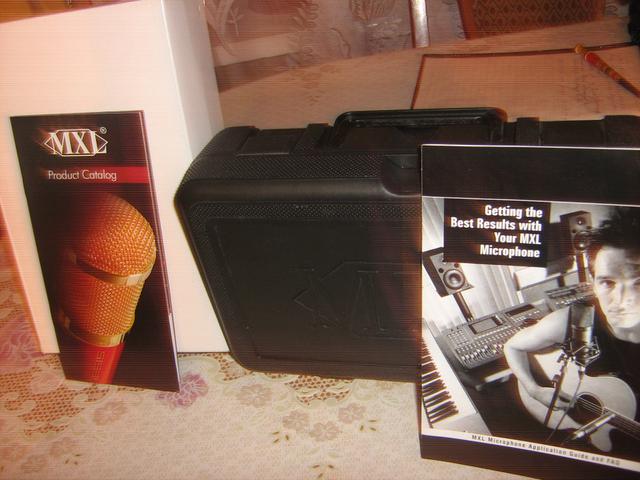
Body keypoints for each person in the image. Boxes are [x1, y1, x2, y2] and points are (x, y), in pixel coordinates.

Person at [504, 207, 640, 446]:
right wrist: (535, 390)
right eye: (608, 282)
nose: (622, 299)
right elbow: (513, 346)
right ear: (593, 284)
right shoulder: (575, 320)